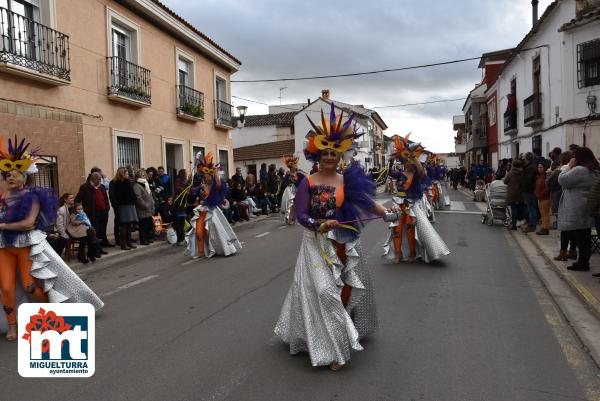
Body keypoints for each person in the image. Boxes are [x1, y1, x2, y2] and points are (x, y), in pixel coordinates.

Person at [274, 105, 399, 371]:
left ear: (339, 153)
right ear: (316, 155)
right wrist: (319, 224)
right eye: (325, 152)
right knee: (325, 292)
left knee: (345, 289)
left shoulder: (346, 180)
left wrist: (387, 213)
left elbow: (367, 203)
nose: (329, 156)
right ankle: (335, 348)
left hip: (344, 241)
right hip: (316, 244)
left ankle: (338, 332)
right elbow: (301, 215)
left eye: (333, 152)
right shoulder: (307, 182)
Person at [0, 136, 103, 341]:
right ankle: (12, 325)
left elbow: (29, 223)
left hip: (25, 245)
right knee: (6, 287)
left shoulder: (33, 196)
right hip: (4, 246)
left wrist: (2, 225)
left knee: (31, 287)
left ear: (24, 177)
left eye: (14, 175)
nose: (9, 178)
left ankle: (50, 315)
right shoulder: (2, 197)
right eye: (6, 175)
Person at [382, 135, 450, 263]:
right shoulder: (400, 174)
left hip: (410, 205)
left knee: (409, 227)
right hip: (398, 204)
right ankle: (397, 254)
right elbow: (389, 172)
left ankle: (413, 252)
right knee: (396, 228)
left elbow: (422, 172)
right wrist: (391, 159)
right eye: (406, 160)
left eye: (410, 160)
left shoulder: (417, 174)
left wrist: (413, 156)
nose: (408, 162)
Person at [185, 152, 242, 258]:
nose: (206, 177)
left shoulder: (216, 186)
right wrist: (188, 182)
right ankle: (201, 252)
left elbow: (220, 186)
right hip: (202, 211)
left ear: (211, 176)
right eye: (204, 175)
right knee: (199, 232)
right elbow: (191, 191)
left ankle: (220, 249)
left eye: (207, 175)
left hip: (212, 211)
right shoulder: (202, 185)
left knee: (215, 233)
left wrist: (215, 173)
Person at [558, 147, 599, 271]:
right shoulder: (594, 169)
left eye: (575, 156)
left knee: (581, 238)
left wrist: (568, 167)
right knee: (584, 236)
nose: (573, 158)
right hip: (587, 206)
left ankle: (583, 263)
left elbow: (562, 180)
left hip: (577, 207)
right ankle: (582, 261)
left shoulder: (580, 170)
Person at [75, 171, 109, 257]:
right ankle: (94, 251)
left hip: (103, 212)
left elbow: (105, 199)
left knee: (102, 232)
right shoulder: (85, 187)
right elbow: (77, 200)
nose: (100, 181)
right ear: (93, 179)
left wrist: (107, 208)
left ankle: (100, 249)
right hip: (93, 214)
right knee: (94, 233)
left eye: (100, 179)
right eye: (98, 179)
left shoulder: (101, 187)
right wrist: (81, 211)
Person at [112, 167, 138, 250]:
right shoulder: (123, 183)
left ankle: (128, 242)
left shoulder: (119, 183)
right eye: (126, 174)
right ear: (122, 174)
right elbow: (131, 193)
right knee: (124, 225)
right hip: (126, 205)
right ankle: (124, 244)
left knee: (128, 225)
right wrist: (134, 199)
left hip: (126, 205)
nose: (128, 175)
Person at [279, 154, 305, 225]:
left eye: (293, 166)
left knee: (297, 205)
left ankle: (295, 218)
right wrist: (287, 179)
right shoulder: (288, 174)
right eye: (291, 167)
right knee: (290, 205)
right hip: (289, 191)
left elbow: (304, 180)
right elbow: (284, 183)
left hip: (297, 190)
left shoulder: (299, 173)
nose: (292, 168)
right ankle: (289, 219)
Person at [132, 169, 155, 246]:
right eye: (142, 175)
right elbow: (138, 197)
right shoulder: (137, 185)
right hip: (143, 209)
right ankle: (143, 240)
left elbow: (149, 195)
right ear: (137, 176)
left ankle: (147, 238)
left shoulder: (145, 184)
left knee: (148, 224)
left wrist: (152, 204)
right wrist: (145, 205)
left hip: (149, 208)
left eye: (144, 174)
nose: (144, 176)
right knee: (143, 225)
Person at [520, 152, 539, 233]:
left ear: (527, 158)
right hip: (529, 190)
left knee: (531, 209)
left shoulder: (530, 168)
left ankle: (532, 226)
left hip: (529, 191)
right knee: (531, 208)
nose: (523, 158)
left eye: (524, 157)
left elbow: (527, 180)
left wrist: (522, 187)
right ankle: (531, 224)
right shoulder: (530, 166)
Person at [504, 160, 524, 230]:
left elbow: (505, 181)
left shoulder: (510, 173)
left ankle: (514, 225)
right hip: (520, 193)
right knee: (521, 208)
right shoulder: (522, 173)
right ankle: (524, 221)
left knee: (514, 209)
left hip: (512, 193)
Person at [535, 162, 551, 235]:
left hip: (545, 198)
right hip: (539, 198)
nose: (539, 168)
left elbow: (548, 187)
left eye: (541, 167)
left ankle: (546, 228)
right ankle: (543, 226)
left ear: (545, 168)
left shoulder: (547, 176)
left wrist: (541, 193)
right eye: (538, 167)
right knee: (542, 214)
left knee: (545, 214)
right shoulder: (539, 176)